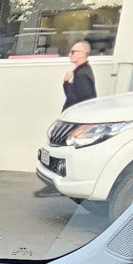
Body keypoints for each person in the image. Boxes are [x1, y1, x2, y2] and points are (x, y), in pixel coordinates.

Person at [36, 41, 98, 196]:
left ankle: (60, 186)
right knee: (56, 151)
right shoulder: (83, 72)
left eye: (73, 52)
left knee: (62, 153)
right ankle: (55, 183)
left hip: (75, 122)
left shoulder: (82, 74)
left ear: (83, 54)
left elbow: (81, 99)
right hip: (74, 121)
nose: (70, 54)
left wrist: (65, 83)